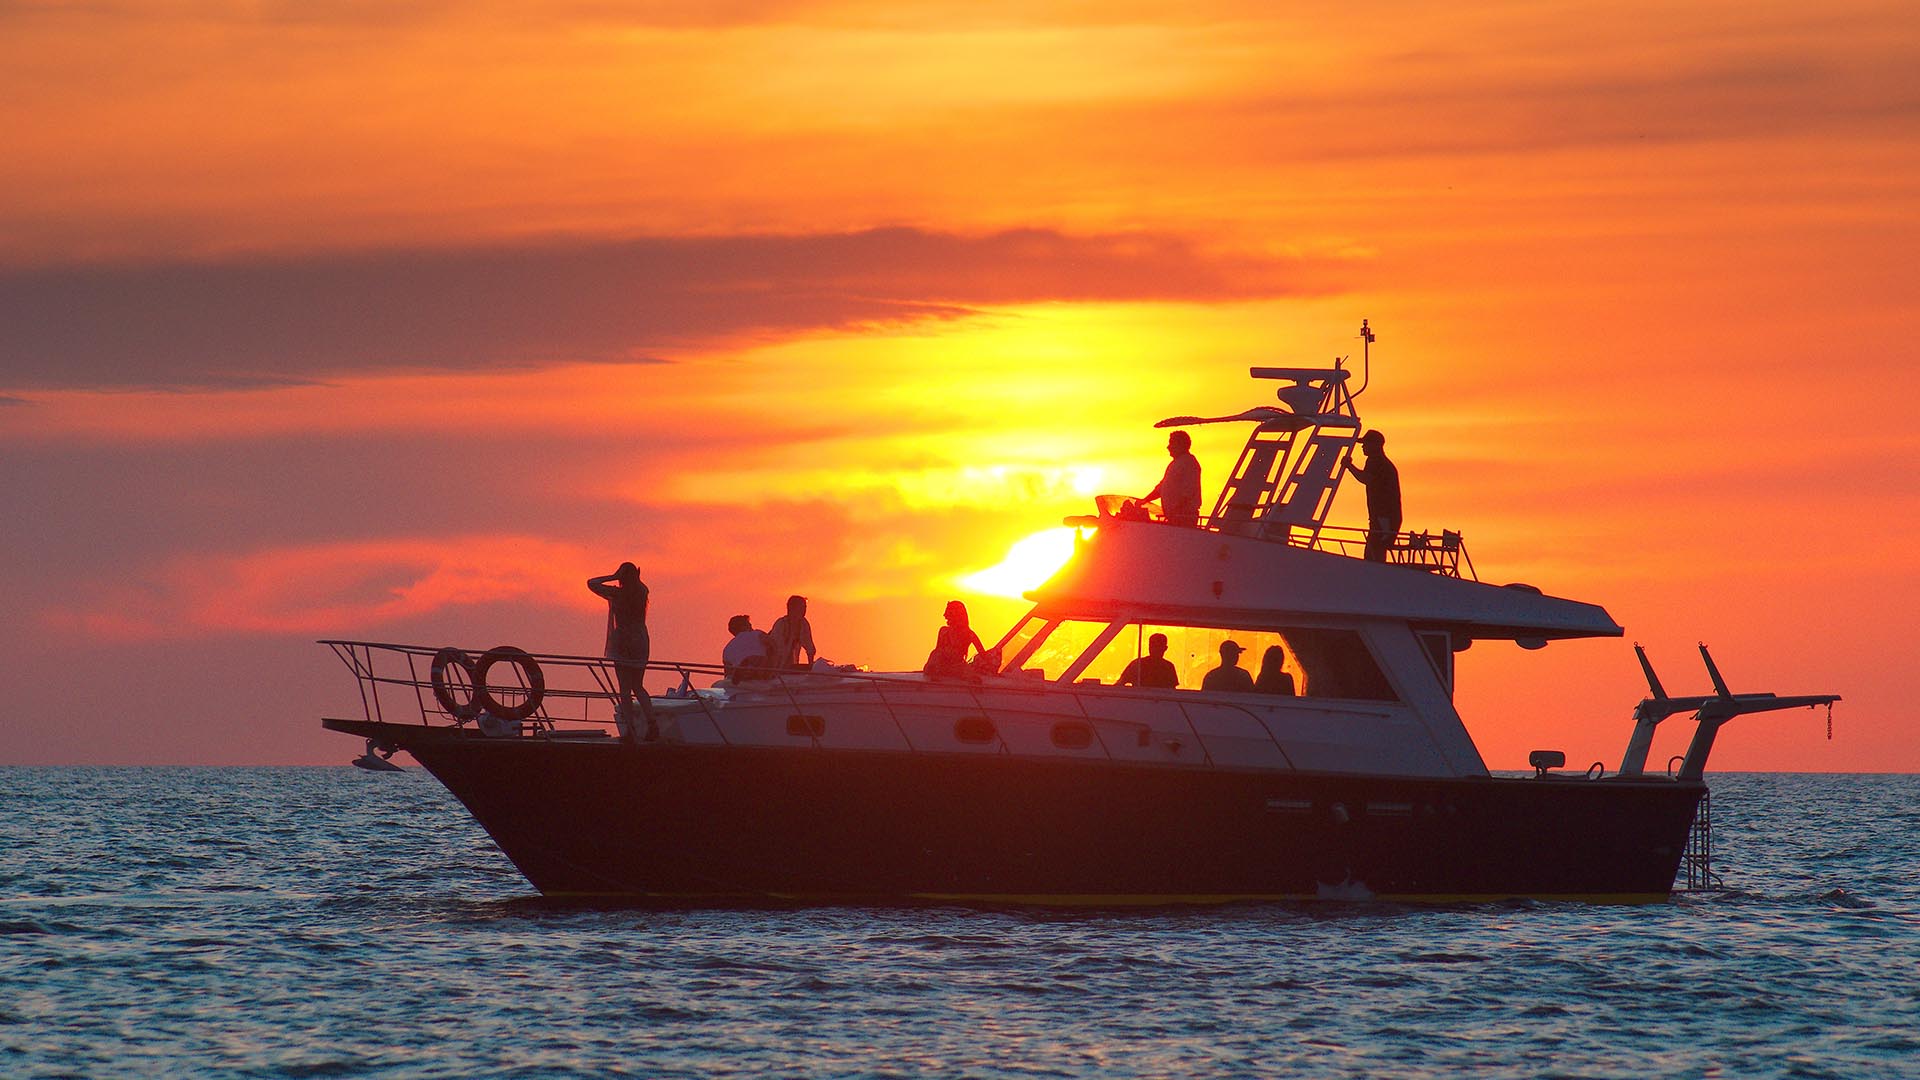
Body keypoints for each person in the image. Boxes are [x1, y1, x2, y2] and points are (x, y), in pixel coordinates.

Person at [587, 562, 655, 740]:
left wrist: (612, 576)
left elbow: (591, 583)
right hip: (640, 640)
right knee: (638, 686)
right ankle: (652, 723)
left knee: (624, 689)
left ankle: (630, 730)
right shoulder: (642, 591)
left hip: (624, 641)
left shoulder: (617, 594)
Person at [1343, 429, 1402, 561]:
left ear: (1376, 445)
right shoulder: (1380, 462)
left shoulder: (1377, 462)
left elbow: (1366, 479)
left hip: (1384, 518)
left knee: (1375, 553)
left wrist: (1349, 466)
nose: (1363, 447)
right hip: (1383, 517)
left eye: (1366, 444)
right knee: (1373, 552)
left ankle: (1377, 578)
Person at [1143, 429, 1203, 528]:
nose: (1168, 447)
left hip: (1184, 517)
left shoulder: (1189, 463)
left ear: (1180, 444)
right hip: (1174, 517)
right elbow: (1161, 488)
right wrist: (1145, 500)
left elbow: (1188, 491)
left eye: (1171, 443)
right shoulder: (1175, 463)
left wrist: (1176, 510)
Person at [923, 600, 986, 679]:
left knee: (971, 676)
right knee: (936, 654)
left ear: (957, 615)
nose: (945, 615)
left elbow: (983, 655)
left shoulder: (969, 634)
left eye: (949, 613)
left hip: (958, 669)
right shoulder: (943, 631)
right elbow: (937, 650)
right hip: (940, 667)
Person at [767, 594, 817, 670]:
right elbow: (776, 649)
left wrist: (811, 668)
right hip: (775, 666)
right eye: (802, 607)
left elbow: (810, 647)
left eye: (805, 607)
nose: (804, 610)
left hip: (791, 668)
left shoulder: (803, 624)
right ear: (792, 608)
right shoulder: (781, 624)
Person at [722, 614, 770, 681]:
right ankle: (748, 668)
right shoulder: (758, 634)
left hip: (740, 680)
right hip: (761, 672)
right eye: (750, 625)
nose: (752, 628)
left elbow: (727, 675)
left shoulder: (726, 649)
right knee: (759, 660)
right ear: (744, 626)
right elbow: (774, 645)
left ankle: (743, 670)